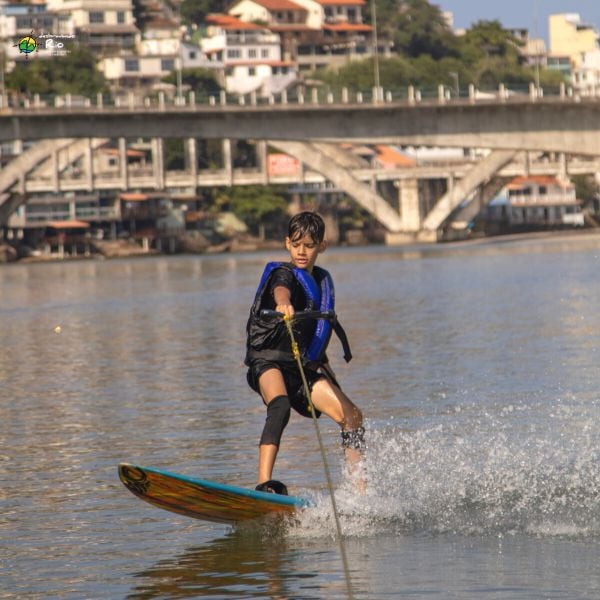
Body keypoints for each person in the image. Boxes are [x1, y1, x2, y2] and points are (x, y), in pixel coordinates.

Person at [245, 211, 365, 494]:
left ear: (321, 246)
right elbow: (281, 291)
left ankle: (359, 493)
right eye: (296, 244)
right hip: (268, 362)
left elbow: (313, 336)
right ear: (287, 243)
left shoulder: (321, 283)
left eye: (309, 245)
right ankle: (263, 485)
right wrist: (283, 304)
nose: (302, 251)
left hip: (301, 368)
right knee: (280, 406)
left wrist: (327, 372)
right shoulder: (283, 274)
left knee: (353, 417)